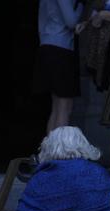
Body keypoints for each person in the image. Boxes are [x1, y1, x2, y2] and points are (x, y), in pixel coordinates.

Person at [35, 0, 82, 132]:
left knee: (56, 106)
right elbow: (71, 22)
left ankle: (51, 144)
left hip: (48, 45)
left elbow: (41, 22)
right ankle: (59, 145)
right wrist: (81, 7)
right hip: (61, 48)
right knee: (64, 106)